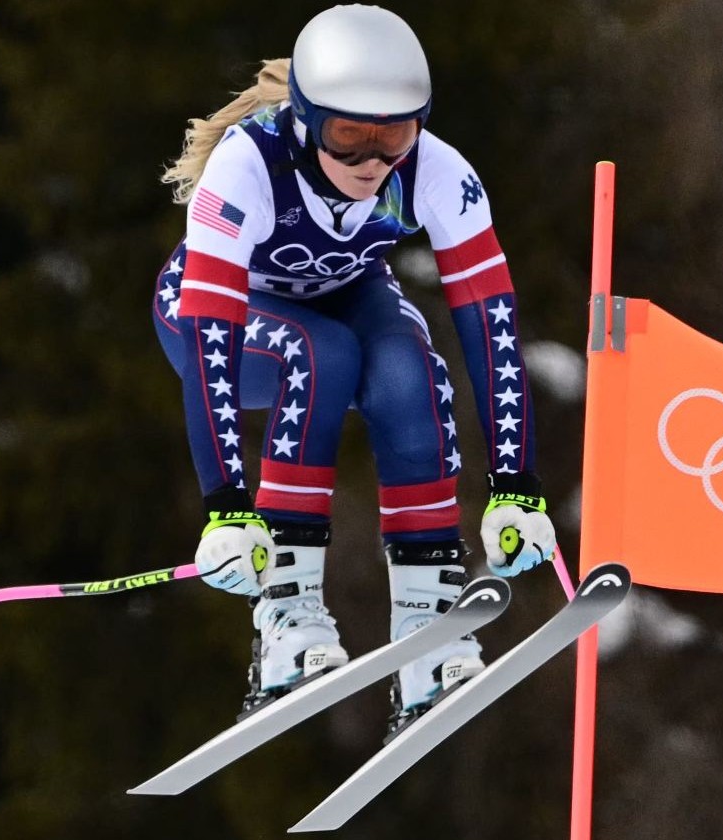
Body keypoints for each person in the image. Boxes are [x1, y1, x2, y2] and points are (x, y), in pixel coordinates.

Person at [151, 4, 557, 733]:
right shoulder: (248, 164)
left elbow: (490, 327)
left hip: (346, 298)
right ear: (305, 119)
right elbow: (213, 330)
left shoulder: (436, 170)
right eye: (349, 136)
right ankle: (287, 619)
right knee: (324, 354)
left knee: (411, 368)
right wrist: (226, 506)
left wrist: (516, 487)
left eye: (394, 136)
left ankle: (428, 627)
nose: (373, 163)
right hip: (219, 321)